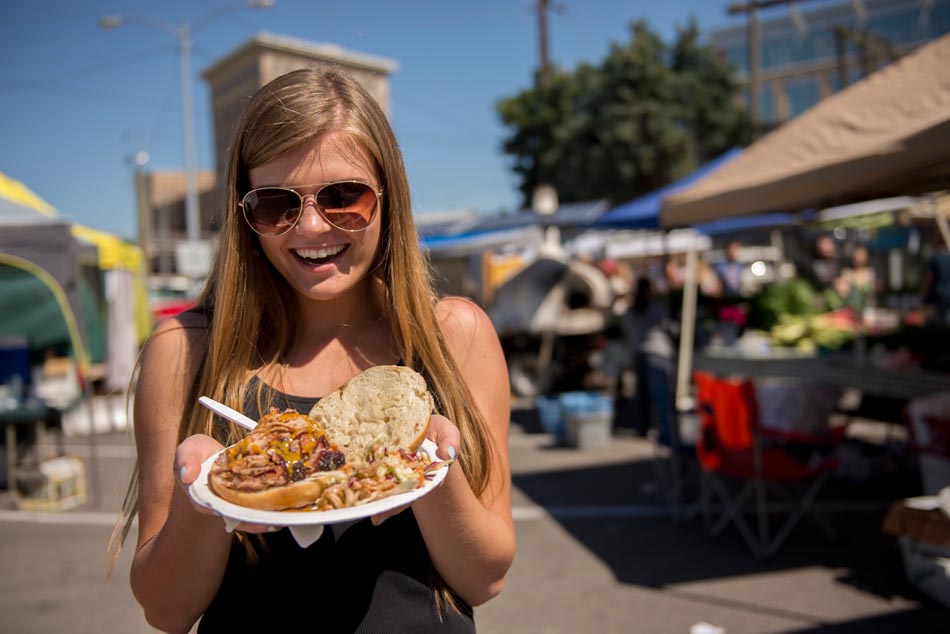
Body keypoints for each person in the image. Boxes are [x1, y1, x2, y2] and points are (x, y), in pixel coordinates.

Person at [109, 69, 515, 633]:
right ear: (245, 215)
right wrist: (201, 498)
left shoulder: (456, 335)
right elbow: (166, 610)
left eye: (344, 197)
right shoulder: (184, 352)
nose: (312, 226)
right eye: (276, 204)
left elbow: (485, 578)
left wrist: (433, 475)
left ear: (388, 197)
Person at [621, 277, 676, 440]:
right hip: (657, 353)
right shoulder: (656, 309)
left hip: (638, 353)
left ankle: (643, 428)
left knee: (643, 395)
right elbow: (669, 328)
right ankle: (666, 430)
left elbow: (627, 331)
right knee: (661, 396)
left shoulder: (631, 311)